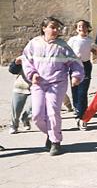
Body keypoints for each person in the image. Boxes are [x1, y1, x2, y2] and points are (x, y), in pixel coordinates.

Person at [22, 17, 84, 156]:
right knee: (37, 115)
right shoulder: (34, 43)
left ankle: (55, 142)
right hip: (38, 83)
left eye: (57, 28)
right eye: (52, 27)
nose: (55, 30)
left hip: (57, 83)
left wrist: (76, 76)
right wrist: (32, 74)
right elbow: (26, 61)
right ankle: (51, 134)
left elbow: (75, 62)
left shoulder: (62, 46)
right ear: (44, 28)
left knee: (52, 112)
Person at [67, 20, 97, 123]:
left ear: (87, 28)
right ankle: (77, 108)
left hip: (85, 65)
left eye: (84, 26)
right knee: (75, 88)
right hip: (74, 65)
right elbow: (67, 51)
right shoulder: (73, 40)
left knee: (83, 90)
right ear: (76, 29)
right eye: (79, 26)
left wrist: (94, 55)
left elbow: (95, 51)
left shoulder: (90, 40)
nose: (82, 28)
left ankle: (82, 112)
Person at [8, 55, 32, 134]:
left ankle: (25, 118)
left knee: (36, 108)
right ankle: (13, 125)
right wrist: (16, 63)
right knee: (16, 109)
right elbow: (12, 70)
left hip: (37, 87)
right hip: (21, 85)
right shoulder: (25, 56)